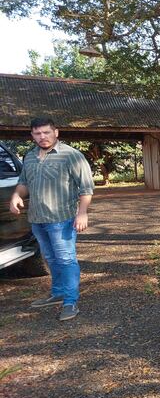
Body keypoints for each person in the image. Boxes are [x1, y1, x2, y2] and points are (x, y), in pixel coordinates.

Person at [9, 117, 94, 321]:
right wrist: (16, 195)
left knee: (66, 259)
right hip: (37, 219)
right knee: (50, 258)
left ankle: (70, 302)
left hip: (61, 219)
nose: (42, 137)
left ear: (56, 132)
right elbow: (24, 183)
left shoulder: (71, 156)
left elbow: (86, 188)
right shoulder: (29, 157)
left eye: (46, 132)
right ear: (32, 135)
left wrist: (82, 212)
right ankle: (57, 293)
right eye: (37, 133)